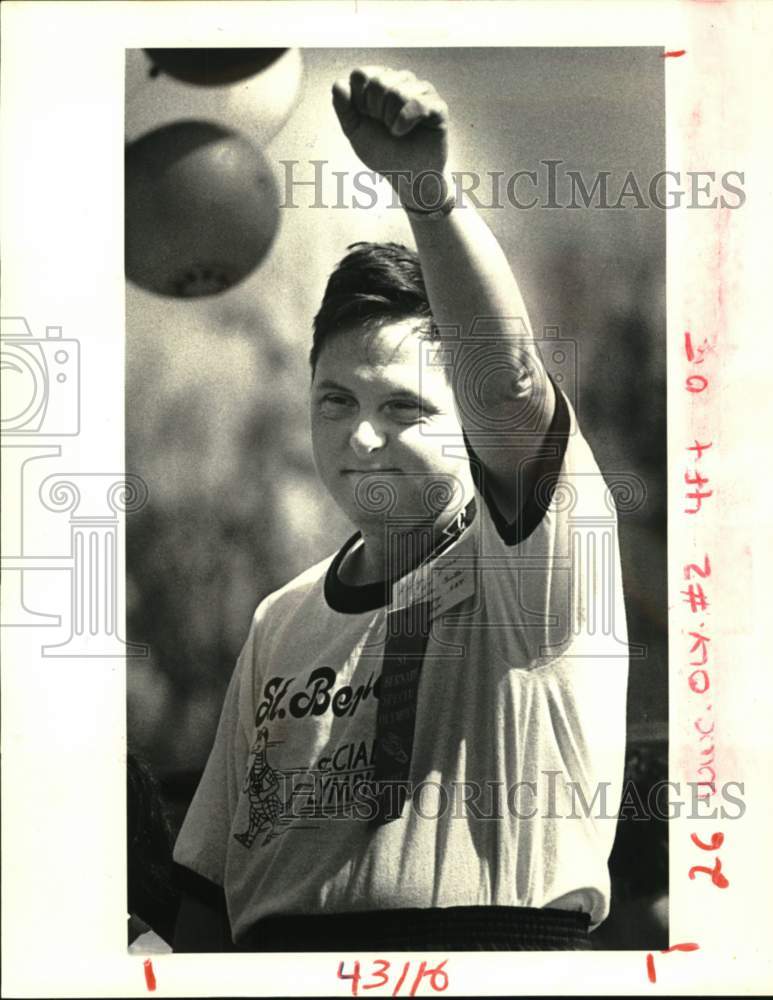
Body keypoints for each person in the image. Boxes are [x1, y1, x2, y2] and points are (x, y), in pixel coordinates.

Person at [172, 65, 629, 951]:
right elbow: (206, 892)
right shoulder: (280, 618)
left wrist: (426, 193)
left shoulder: (528, 559)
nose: (362, 437)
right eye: (335, 401)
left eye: (405, 408)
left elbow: (508, 382)